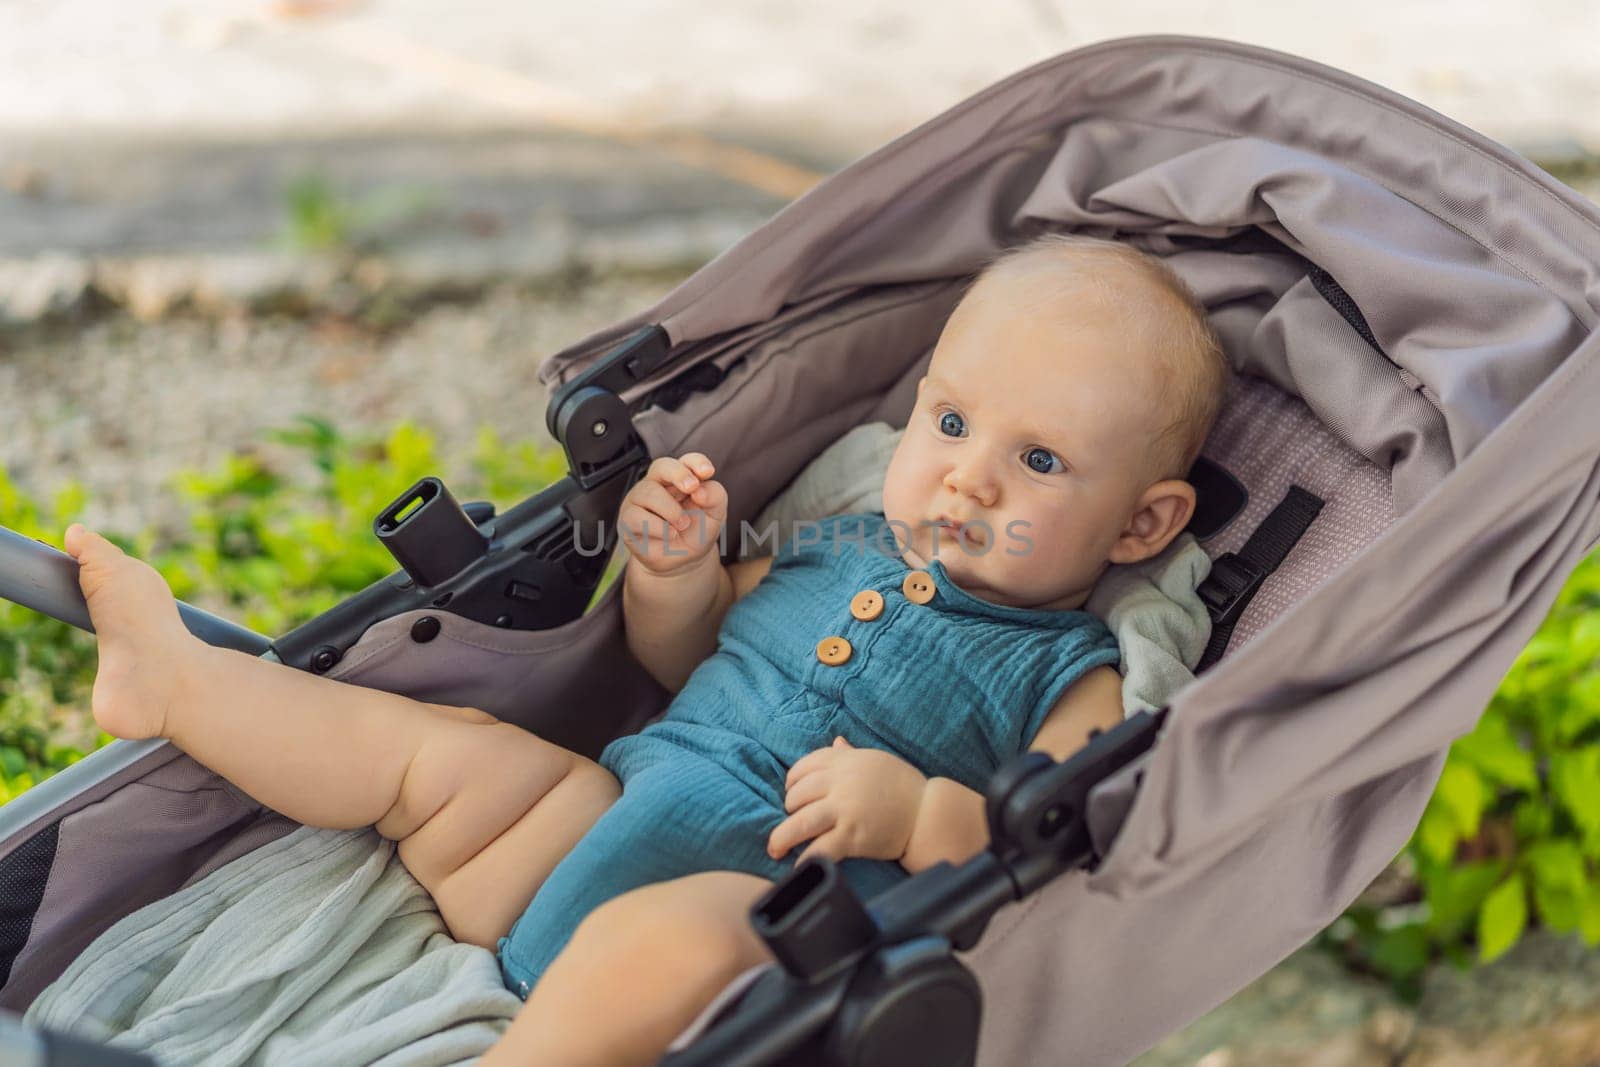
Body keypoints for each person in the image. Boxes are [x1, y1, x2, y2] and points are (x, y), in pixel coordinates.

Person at [64, 232, 1230, 1065]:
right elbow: (687, 652)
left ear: (1141, 523)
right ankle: (184, 686)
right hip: (587, 824)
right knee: (447, 756)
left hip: (752, 914)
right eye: (953, 422)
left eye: (1038, 462)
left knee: (683, 933)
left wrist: (921, 816)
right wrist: (673, 573)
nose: (969, 472)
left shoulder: (1067, 667)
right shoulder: (837, 538)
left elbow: (1065, 834)